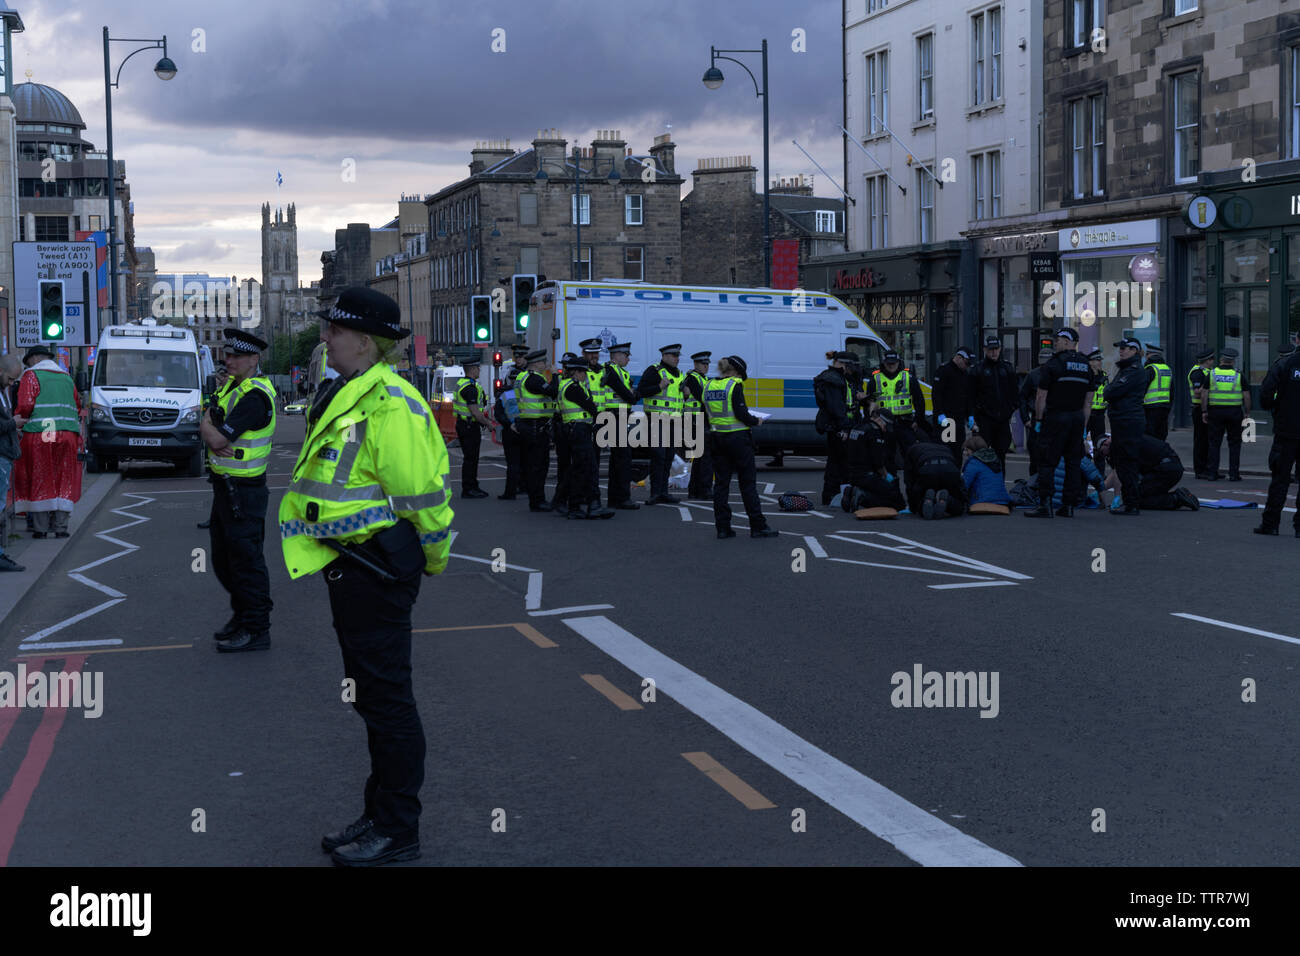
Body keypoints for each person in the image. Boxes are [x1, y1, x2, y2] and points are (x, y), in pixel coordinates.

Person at [279, 286, 453, 867]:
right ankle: (379, 813)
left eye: (333, 330)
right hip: (350, 567)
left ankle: (399, 829)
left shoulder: (392, 403)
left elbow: (422, 499)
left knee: (389, 705)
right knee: (371, 701)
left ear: (364, 340)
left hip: (376, 571)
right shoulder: (350, 391)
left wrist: (424, 561)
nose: (324, 338)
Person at [200, 328, 277, 652]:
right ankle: (243, 614)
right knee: (223, 560)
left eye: (235, 356)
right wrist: (208, 424)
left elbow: (217, 438)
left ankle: (256, 628)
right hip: (226, 488)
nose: (227, 360)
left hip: (244, 491)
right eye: (227, 355)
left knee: (246, 563)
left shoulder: (255, 397)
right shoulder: (234, 387)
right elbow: (208, 421)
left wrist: (206, 426)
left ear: (253, 360)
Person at [702, 356, 778, 539]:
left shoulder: (709, 385)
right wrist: (756, 421)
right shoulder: (734, 385)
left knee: (721, 485)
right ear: (735, 371)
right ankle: (758, 526)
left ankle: (722, 528)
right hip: (738, 440)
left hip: (717, 438)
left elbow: (707, 413)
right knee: (748, 483)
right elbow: (741, 413)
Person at [12, 345, 83, 539]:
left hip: (44, 431)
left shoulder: (32, 376)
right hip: (68, 433)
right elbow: (77, 405)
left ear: (34, 359)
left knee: (42, 475)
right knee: (63, 477)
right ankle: (61, 527)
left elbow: (25, 405)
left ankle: (41, 528)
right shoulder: (67, 377)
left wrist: (17, 420)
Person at [1026, 328, 1094, 518]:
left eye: (1059, 340)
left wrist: (1039, 420)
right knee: (1073, 463)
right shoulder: (1085, 365)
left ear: (1067, 342)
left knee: (1047, 462)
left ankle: (1045, 504)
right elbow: (1088, 402)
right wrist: (1083, 427)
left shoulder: (1053, 365)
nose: (1055, 343)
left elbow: (1041, 396)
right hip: (1077, 419)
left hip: (1056, 418)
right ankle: (1068, 505)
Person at [556, 356, 613, 520]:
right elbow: (591, 407)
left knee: (581, 469)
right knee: (587, 468)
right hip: (578, 430)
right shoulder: (573, 388)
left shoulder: (568, 385)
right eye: (583, 372)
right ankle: (581, 506)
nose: (585, 375)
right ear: (575, 372)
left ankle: (581, 505)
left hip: (577, 429)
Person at [1253, 344, 1300, 536]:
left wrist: (1275, 406)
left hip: (1286, 430)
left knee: (1280, 479)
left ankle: (1271, 524)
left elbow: (1265, 393)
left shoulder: (1284, 363)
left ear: (1297, 340)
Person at [1103, 338, 1148, 516]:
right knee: (1122, 462)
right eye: (1120, 348)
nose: (1120, 351)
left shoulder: (1134, 371)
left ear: (1134, 350)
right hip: (1123, 420)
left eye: (1124, 348)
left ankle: (1132, 503)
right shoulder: (1125, 369)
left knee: (1127, 462)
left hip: (1128, 420)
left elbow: (1111, 392)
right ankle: (1130, 502)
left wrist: (1110, 390)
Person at [1097, 434, 1199, 511]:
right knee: (1139, 491)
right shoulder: (1126, 439)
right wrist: (1101, 489)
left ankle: (1176, 498)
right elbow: (1115, 474)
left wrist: (1117, 498)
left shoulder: (1120, 447)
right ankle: (1172, 497)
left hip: (1166, 469)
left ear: (1106, 443)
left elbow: (1119, 475)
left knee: (1136, 499)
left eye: (1102, 452)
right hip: (1168, 466)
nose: (1105, 456)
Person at [638, 343, 685, 504]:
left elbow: (677, 400)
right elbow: (642, 391)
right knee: (658, 456)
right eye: (674, 355)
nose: (677, 358)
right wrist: (659, 386)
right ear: (664, 356)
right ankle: (655, 493)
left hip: (674, 421)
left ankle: (663, 492)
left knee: (668, 457)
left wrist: (686, 394)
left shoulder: (679, 374)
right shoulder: (654, 371)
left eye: (678, 356)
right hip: (657, 420)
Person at [515, 349, 558, 511]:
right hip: (535, 426)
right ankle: (537, 501)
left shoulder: (522, 377)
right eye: (544, 362)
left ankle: (537, 499)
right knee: (538, 465)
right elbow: (553, 391)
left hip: (530, 425)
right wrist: (555, 375)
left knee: (534, 465)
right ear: (537, 364)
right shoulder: (534, 379)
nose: (546, 365)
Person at [841, 407, 906, 512]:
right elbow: (878, 463)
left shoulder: (857, 427)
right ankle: (863, 497)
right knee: (895, 500)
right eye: (886, 426)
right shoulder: (875, 433)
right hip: (868, 475)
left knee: (879, 490)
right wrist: (887, 477)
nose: (885, 429)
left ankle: (854, 491)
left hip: (853, 475)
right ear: (880, 420)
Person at [866, 350, 927, 459]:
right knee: (886, 455)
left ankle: (910, 476)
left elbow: (919, 401)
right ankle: (890, 476)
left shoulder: (908, 378)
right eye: (888, 363)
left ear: (899, 362)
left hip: (905, 423)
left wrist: (917, 420)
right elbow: (869, 403)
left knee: (911, 454)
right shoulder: (876, 379)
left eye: (893, 363)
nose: (891, 366)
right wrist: (872, 422)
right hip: (883, 424)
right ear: (884, 363)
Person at [814, 351, 856, 505]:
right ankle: (832, 495)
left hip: (839, 426)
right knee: (837, 464)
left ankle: (836, 494)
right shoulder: (833, 379)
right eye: (852, 367)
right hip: (838, 428)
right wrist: (844, 428)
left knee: (839, 462)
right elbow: (836, 407)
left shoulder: (837, 378)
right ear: (845, 364)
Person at [1202, 347, 1250, 482]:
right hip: (1234, 412)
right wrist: (1247, 412)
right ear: (1233, 361)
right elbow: (1246, 395)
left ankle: (1212, 473)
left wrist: (1204, 411)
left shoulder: (1211, 374)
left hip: (1215, 412)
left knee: (1214, 443)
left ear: (1221, 360)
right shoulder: (1239, 375)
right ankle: (1234, 474)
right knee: (1234, 443)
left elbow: (1204, 394)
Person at [602, 342, 640, 510]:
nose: (628, 358)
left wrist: (632, 395)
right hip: (615, 417)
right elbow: (630, 396)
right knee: (622, 459)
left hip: (620, 417)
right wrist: (631, 395)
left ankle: (615, 498)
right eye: (626, 355)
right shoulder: (611, 371)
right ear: (616, 356)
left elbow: (633, 395)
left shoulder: (620, 372)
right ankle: (622, 498)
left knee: (618, 460)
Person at [972, 335, 1018, 474]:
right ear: (985, 350)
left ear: (1000, 349)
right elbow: (971, 395)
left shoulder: (1007, 368)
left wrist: (1010, 410)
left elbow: (1014, 392)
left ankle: (999, 486)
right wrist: (975, 416)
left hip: (1002, 419)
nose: (994, 352)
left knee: (1001, 455)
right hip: (985, 419)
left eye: (996, 349)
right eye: (991, 349)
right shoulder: (978, 369)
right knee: (982, 454)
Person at [453, 353, 492, 499]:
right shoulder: (470, 388)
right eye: (478, 368)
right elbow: (475, 412)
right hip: (469, 426)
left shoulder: (462, 383)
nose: (479, 371)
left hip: (464, 425)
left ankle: (472, 486)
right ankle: (469, 488)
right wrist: (488, 424)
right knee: (471, 458)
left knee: (470, 458)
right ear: (473, 369)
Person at [0, 353, 25, 572]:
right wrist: (12, 423)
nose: (11, 384)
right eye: (9, 379)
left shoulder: (2, 393)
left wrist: (13, 428)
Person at [682, 351, 714, 501]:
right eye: (703, 364)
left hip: (699, 421)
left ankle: (695, 490)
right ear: (695, 364)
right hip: (695, 421)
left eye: (707, 364)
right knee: (705, 458)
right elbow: (704, 397)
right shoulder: (692, 378)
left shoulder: (703, 378)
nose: (706, 366)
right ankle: (704, 490)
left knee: (700, 458)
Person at [903, 441, 966, 519]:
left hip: (927, 468)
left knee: (920, 495)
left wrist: (913, 506)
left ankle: (926, 501)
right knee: (957, 504)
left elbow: (909, 480)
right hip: (949, 468)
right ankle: (948, 501)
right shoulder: (944, 447)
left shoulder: (912, 449)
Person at [581, 338, 610, 509]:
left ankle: (591, 495)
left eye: (596, 353)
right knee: (586, 461)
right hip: (587, 421)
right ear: (584, 354)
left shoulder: (603, 371)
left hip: (600, 420)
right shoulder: (581, 371)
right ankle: (586, 496)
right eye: (591, 353)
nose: (594, 356)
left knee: (596, 461)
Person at [932, 347, 975, 458]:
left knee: (958, 450)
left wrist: (970, 415)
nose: (967, 366)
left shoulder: (964, 373)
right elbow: (937, 395)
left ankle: (956, 472)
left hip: (959, 419)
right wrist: (940, 413)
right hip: (947, 419)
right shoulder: (944, 371)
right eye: (966, 363)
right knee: (947, 451)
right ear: (959, 358)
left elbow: (968, 396)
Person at [548, 352, 578, 511]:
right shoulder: (559, 380)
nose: (565, 368)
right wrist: (553, 376)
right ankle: (560, 500)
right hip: (561, 426)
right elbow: (552, 392)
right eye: (564, 365)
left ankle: (564, 498)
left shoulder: (574, 381)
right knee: (564, 465)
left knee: (572, 466)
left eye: (567, 366)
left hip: (571, 426)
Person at [1019, 346, 1054, 478]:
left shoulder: (1057, 375)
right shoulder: (1033, 375)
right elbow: (1022, 397)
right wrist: (1025, 419)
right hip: (1036, 419)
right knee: (1035, 457)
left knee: (1050, 457)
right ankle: (1034, 487)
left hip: (1053, 419)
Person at [493, 368, 522, 500]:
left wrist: (508, 424)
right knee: (527, 462)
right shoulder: (528, 394)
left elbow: (498, 414)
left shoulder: (505, 395)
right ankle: (525, 488)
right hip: (525, 430)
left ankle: (510, 492)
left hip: (510, 430)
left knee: (512, 463)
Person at [960, 434, 1010, 509]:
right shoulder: (996, 459)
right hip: (1002, 500)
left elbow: (964, 485)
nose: (965, 453)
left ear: (973, 449)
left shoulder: (974, 462)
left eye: (967, 450)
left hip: (981, 501)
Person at [1186, 348, 1215, 479]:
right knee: (1201, 441)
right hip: (1199, 409)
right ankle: (1200, 470)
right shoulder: (1197, 372)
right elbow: (1197, 391)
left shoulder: (1207, 372)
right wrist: (1212, 386)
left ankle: (1209, 468)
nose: (1213, 362)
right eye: (1211, 359)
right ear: (1207, 360)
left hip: (1208, 408)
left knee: (1209, 441)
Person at [1141, 344, 1173, 440]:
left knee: (1150, 436)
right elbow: (1172, 391)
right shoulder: (1167, 369)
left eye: (1147, 354)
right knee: (1161, 435)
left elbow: (1142, 388)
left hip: (1150, 408)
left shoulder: (1150, 369)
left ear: (1149, 355)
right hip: (1164, 407)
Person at [1086, 349, 1109, 475]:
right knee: (1081, 444)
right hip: (1087, 414)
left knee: (1099, 446)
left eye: (1100, 360)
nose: (1100, 362)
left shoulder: (1104, 376)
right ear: (1091, 362)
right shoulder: (1086, 376)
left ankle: (1100, 474)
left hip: (1099, 416)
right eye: (1097, 360)